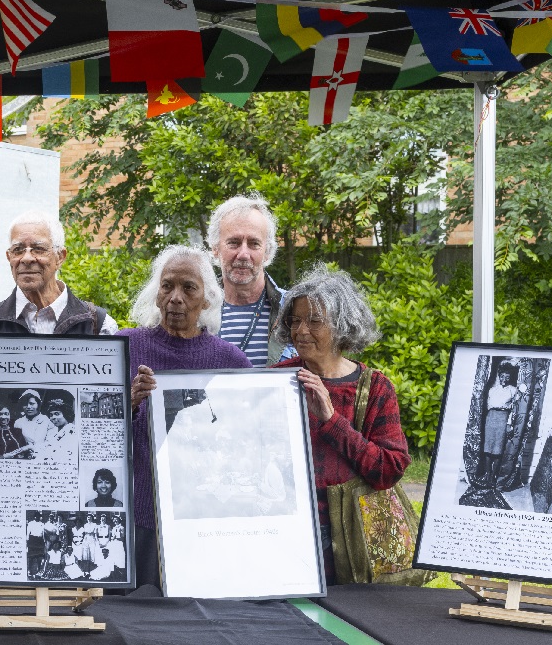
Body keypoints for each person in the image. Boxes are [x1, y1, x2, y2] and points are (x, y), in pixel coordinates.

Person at [269, 264, 410, 585]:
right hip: (284, 528)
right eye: (295, 320)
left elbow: (389, 469)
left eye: (315, 321)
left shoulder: (374, 387)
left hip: (348, 533)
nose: (301, 330)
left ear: (342, 326)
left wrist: (332, 421)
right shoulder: (277, 379)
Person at [127, 245, 251, 588]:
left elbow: (244, 439)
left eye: (189, 288)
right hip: (137, 513)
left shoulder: (232, 362)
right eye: (167, 286)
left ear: (208, 299)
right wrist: (129, 403)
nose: (176, 298)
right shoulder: (124, 347)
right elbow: (93, 432)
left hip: (203, 515)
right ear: (156, 295)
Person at [0, 211, 118, 335]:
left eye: (38, 249)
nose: (26, 258)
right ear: (9, 257)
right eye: (18, 250)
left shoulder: (99, 325)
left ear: (60, 257)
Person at [206, 194, 289, 367]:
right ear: (215, 248)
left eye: (254, 243)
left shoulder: (293, 310)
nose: (243, 254)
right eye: (234, 242)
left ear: (267, 251)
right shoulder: (196, 311)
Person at [480, 363, 523, 484]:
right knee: (488, 447)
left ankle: (494, 476)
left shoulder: (513, 390)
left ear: (510, 378)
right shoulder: (492, 390)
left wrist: (509, 424)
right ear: (499, 376)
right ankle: (487, 474)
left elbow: (514, 410)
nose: (504, 379)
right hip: (490, 418)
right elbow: (488, 406)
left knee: (498, 449)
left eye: (507, 377)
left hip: (503, 418)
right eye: (502, 376)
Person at [13, 389, 51, 454]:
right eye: (25, 404)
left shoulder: (47, 421)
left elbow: (50, 443)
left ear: (38, 404)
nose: (28, 407)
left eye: (32, 404)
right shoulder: (18, 423)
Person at [41, 397, 77, 462]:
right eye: (51, 415)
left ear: (66, 414)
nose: (53, 417)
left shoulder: (73, 431)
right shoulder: (51, 432)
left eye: (57, 414)